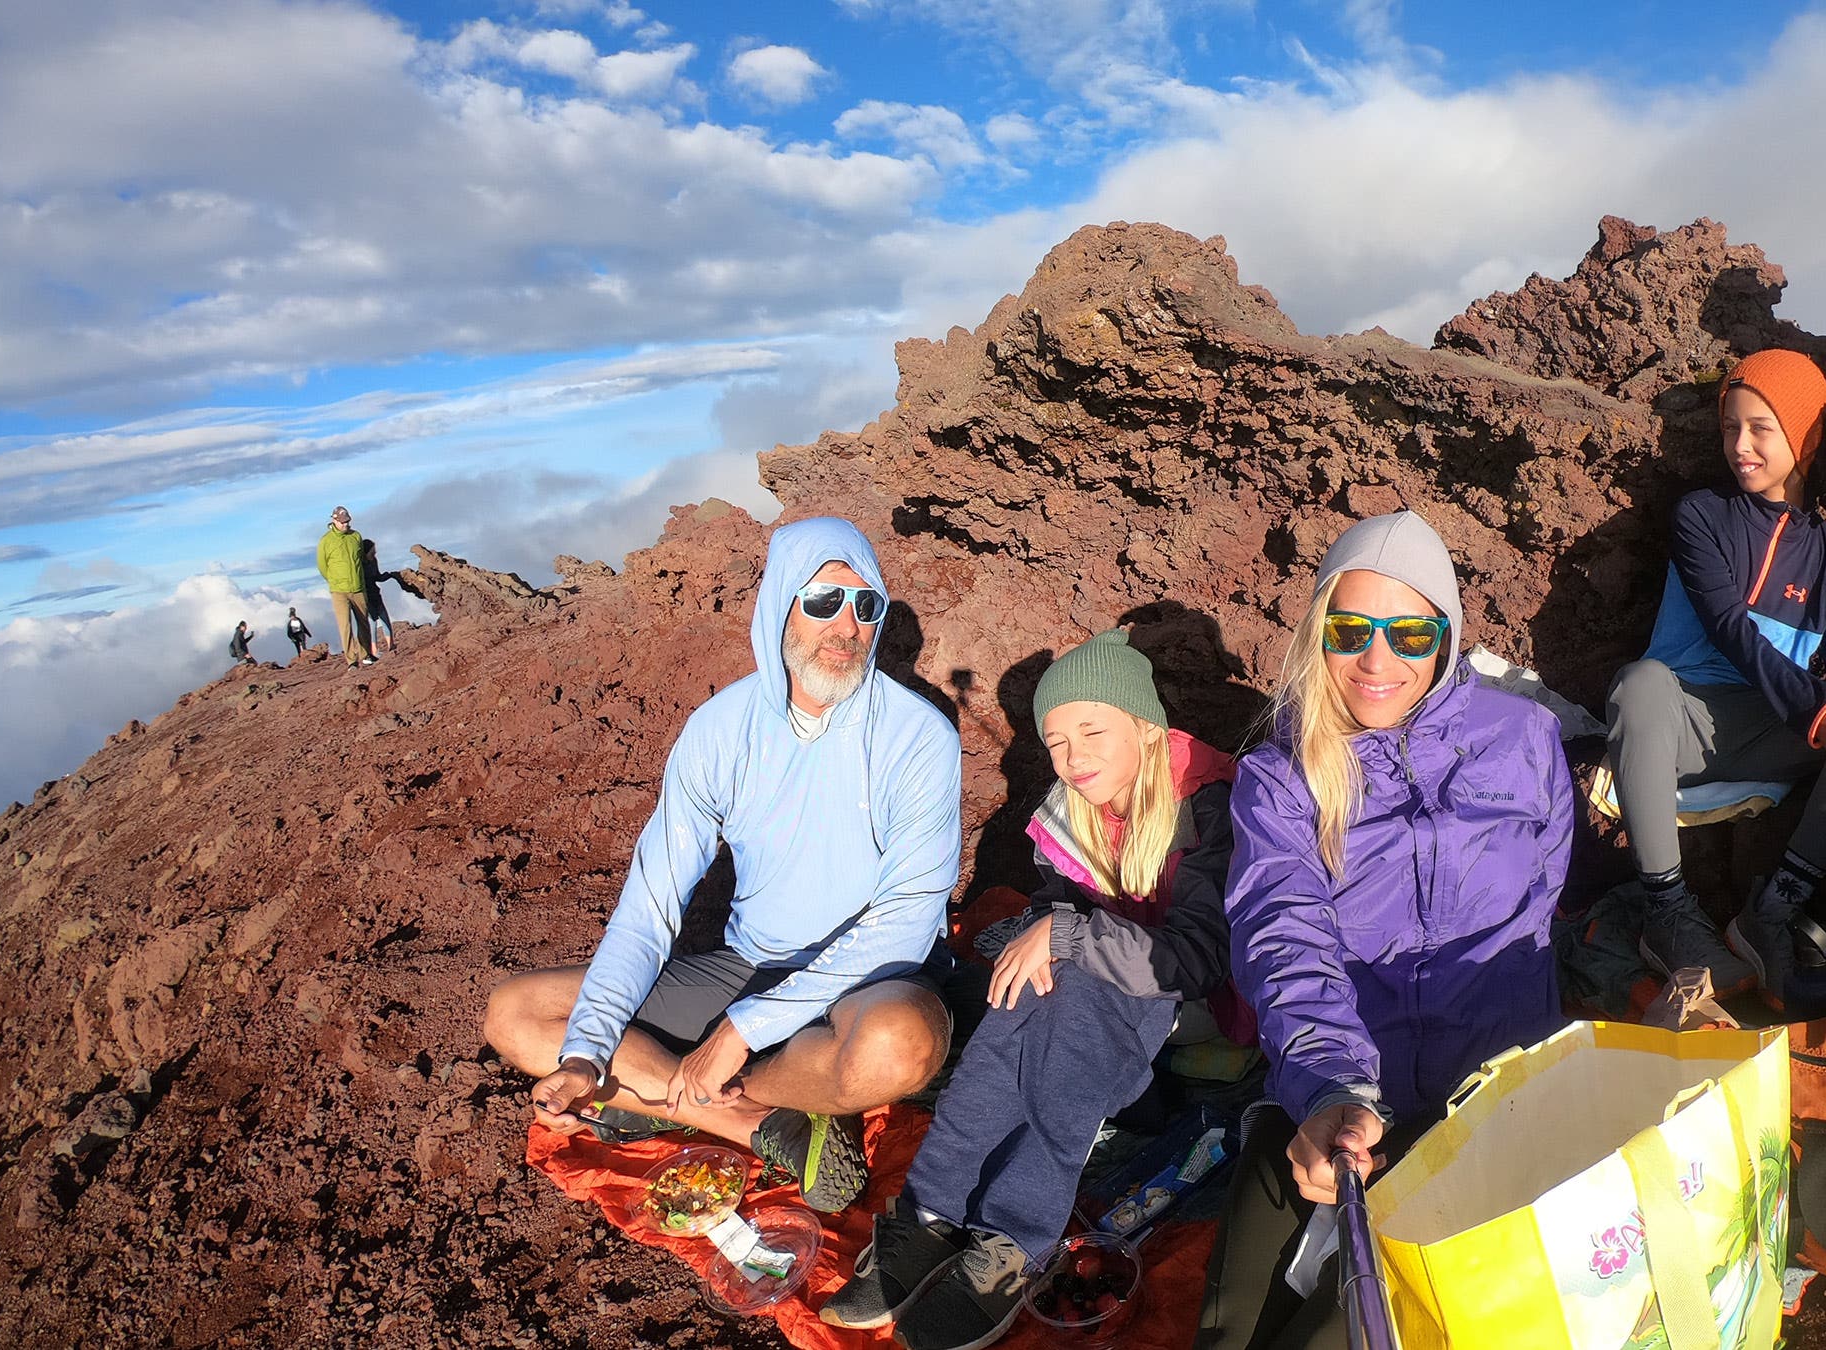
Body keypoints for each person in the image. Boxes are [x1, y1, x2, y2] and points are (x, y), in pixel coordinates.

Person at [480, 516, 963, 1213]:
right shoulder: (719, 730)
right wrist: (586, 1054)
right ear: (780, 607)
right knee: (514, 1014)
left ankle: (721, 1086)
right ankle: (761, 1122)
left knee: (899, 1048)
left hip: (866, 976)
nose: (847, 626)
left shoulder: (919, 737)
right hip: (746, 965)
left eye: (866, 606)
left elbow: (907, 920)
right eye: (824, 601)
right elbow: (650, 907)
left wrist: (740, 1035)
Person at [1200, 511, 1575, 1350]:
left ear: (1446, 638)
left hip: (1492, 1108)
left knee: (1352, 1332)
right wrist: (1335, 1087)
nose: (1378, 660)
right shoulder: (1280, 775)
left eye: (1409, 632)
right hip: (1339, 1103)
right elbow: (1280, 928)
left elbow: (1545, 897)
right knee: (1233, 1333)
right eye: (1351, 629)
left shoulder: (1525, 739)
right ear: (1316, 632)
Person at [823, 628, 1240, 1350]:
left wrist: (1069, 938)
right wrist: (1051, 929)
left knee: (1070, 991)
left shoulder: (1207, 809)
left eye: (1092, 730)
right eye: (1055, 741)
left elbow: (1197, 959)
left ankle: (1017, 1234)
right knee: (1023, 987)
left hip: (1201, 998)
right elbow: (1063, 901)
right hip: (1115, 971)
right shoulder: (1078, 807)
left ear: (1144, 726)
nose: (1073, 758)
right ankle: (929, 1213)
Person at [1605, 348, 1826, 1006]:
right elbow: (1734, 630)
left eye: (1761, 428)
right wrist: (1824, 717)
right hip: (1682, 727)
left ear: (1805, 435)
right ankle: (1667, 911)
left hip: (1773, 732)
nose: (1741, 446)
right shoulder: (1701, 516)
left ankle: (1774, 911)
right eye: (1730, 427)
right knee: (1638, 683)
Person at [316, 506, 376, 668]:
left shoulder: (356, 536)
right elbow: (322, 566)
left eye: (347, 521)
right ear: (334, 520)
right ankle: (351, 661)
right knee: (345, 626)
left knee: (364, 622)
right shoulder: (326, 541)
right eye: (342, 522)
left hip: (358, 587)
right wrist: (334, 581)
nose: (345, 524)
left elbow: (360, 560)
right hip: (339, 591)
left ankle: (366, 655)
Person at [357, 537, 395, 656]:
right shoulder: (359, 565)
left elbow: (377, 576)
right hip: (366, 596)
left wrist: (390, 575)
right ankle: (374, 650)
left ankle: (391, 645)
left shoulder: (373, 561)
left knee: (385, 619)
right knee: (372, 622)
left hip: (375, 593)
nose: (374, 554)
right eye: (372, 552)